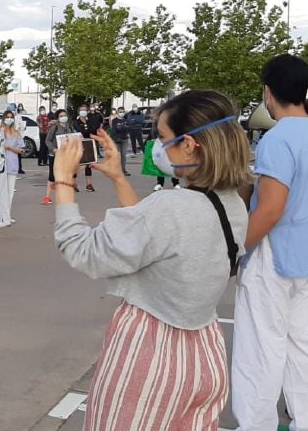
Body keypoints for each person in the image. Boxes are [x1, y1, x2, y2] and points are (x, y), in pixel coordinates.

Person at [53, 90, 250, 431]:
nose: (158, 147)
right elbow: (149, 237)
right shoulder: (231, 203)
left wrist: (63, 181)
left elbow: (83, 251)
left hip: (150, 356)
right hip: (205, 354)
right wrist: (118, 177)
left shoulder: (170, 208)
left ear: (189, 145)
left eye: (162, 138)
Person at [232, 54, 308, 430]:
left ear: (268, 92)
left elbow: (271, 209)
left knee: (260, 350)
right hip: (306, 259)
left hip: (273, 258)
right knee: (302, 349)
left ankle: (256, 424)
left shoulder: (278, 138)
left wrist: (235, 251)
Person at [43, 109, 76, 205]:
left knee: (66, 176)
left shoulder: (69, 127)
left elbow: (73, 137)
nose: (63, 117)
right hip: (55, 155)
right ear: (57, 118)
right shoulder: (54, 127)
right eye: (61, 116)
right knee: (52, 176)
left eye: (65, 115)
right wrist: (54, 149)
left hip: (66, 155)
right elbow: (47, 141)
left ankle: (65, 197)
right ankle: (47, 197)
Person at [0, 112, 25, 223]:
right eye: (7, 117)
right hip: (0, 165)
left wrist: (10, 147)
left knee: (10, 191)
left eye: (11, 118)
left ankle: (7, 215)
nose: (9, 119)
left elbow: (21, 149)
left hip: (12, 164)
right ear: (4, 118)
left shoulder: (16, 133)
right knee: (0, 191)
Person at [76, 104, 103, 192]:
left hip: (88, 144)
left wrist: (88, 130)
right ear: (79, 112)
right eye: (81, 110)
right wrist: (87, 131)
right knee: (76, 164)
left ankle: (89, 184)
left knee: (88, 164)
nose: (83, 111)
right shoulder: (76, 122)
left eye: (85, 110)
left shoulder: (90, 120)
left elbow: (93, 129)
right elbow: (79, 131)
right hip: (79, 144)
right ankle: (73, 184)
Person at [110, 106, 131, 176]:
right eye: (120, 112)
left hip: (125, 139)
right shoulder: (114, 120)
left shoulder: (126, 120)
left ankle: (123, 170)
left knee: (123, 155)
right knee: (117, 155)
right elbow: (114, 130)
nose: (122, 113)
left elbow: (128, 129)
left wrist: (123, 128)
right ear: (117, 112)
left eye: (123, 111)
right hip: (117, 140)